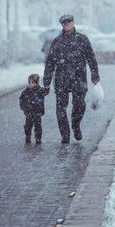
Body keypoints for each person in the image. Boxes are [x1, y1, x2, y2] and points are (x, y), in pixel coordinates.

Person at [43, 14, 100, 143]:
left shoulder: (82, 39)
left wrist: (95, 75)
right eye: (63, 23)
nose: (66, 24)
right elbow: (50, 63)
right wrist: (46, 82)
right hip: (61, 78)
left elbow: (91, 58)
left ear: (73, 22)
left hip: (79, 77)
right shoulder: (57, 42)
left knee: (79, 105)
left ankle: (76, 125)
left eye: (68, 22)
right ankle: (65, 134)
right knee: (61, 107)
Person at [19, 73, 49, 144]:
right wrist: (24, 107)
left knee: (38, 125)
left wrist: (47, 88)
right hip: (29, 112)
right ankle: (28, 136)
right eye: (29, 82)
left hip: (37, 111)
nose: (30, 84)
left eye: (32, 82)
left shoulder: (40, 90)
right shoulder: (25, 92)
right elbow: (22, 100)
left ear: (36, 83)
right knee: (28, 125)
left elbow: (45, 92)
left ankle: (38, 137)